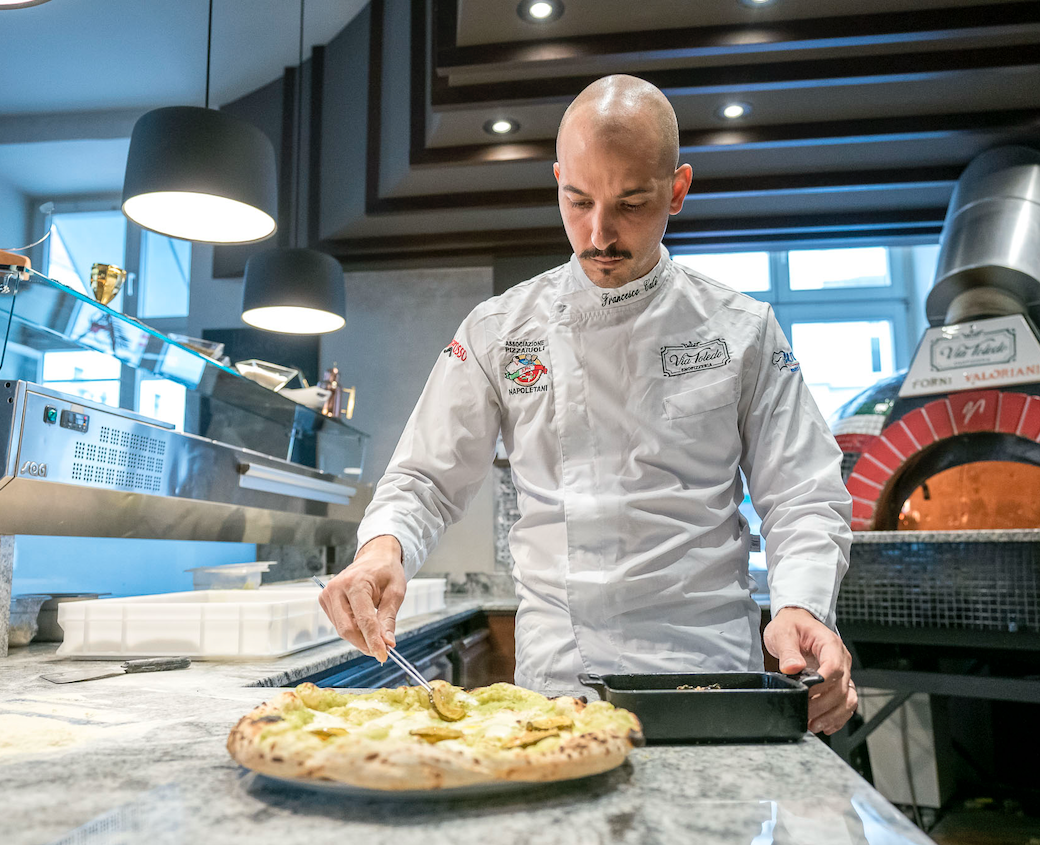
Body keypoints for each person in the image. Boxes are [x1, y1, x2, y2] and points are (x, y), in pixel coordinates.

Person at [319, 74, 858, 735]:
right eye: (577, 201)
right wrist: (382, 548)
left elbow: (802, 492)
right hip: (555, 684)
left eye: (630, 203)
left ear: (678, 189)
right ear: (556, 182)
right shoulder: (501, 330)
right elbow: (424, 478)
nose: (599, 232)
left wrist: (801, 605)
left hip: (706, 676)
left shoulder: (742, 330)